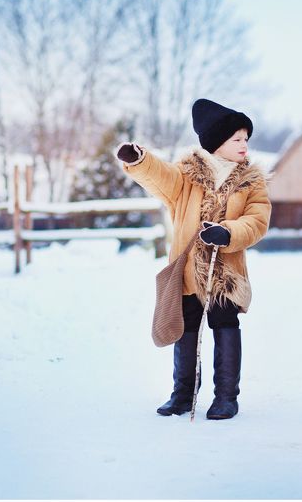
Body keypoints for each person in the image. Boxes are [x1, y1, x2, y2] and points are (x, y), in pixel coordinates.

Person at [116, 98, 271, 420]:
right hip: (187, 270)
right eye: (237, 139)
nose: (244, 145)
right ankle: (183, 394)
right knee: (185, 329)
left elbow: (257, 221)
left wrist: (228, 232)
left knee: (225, 324)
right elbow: (160, 176)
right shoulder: (185, 178)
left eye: (246, 139)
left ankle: (227, 397)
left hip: (226, 271)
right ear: (217, 143)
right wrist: (140, 160)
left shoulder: (251, 182)